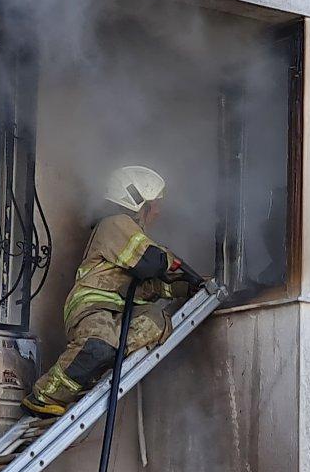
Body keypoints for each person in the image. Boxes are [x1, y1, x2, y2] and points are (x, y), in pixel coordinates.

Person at [21, 165, 204, 418]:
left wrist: (190, 285)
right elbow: (151, 262)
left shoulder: (130, 237)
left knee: (156, 322)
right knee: (99, 345)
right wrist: (170, 261)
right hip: (92, 306)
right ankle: (44, 395)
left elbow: (150, 285)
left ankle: (95, 368)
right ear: (137, 200)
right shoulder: (116, 224)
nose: (159, 211)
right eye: (155, 203)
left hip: (117, 310)